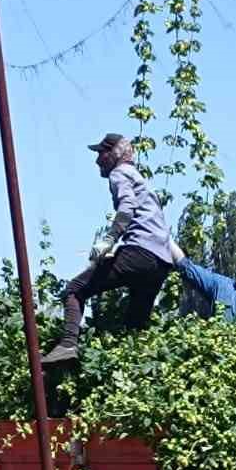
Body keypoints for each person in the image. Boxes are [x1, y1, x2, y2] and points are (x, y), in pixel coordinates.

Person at [41, 133, 174, 365]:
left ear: (114, 154)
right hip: (161, 262)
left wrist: (110, 239)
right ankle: (138, 366)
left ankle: (68, 344)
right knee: (135, 326)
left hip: (140, 252)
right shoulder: (142, 181)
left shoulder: (119, 173)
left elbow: (127, 206)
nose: (97, 161)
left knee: (75, 289)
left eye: (101, 154)